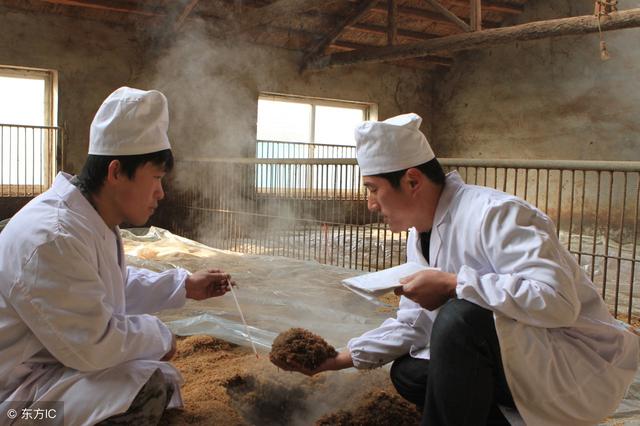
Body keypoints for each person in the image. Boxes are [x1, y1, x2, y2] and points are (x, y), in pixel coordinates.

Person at [271, 113, 639, 425]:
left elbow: (558, 301)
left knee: (460, 319)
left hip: (571, 366)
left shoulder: (497, 214)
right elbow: (413, 323)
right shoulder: (422, 234)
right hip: (521, 361)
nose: (369, 204)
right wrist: (338, 358)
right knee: (410, 374)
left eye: (372, 189)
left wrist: (454, 284)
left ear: (412, 180)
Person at [0, 87, 234, 425]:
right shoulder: (53, 237)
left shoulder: (87, 221)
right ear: (115, 172)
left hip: (44, 369)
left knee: (155, 377)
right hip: (14, 400)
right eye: (155, 178)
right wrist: (160, 334)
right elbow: (95, 345)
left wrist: (184, 285)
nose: (161, 192)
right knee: (143, 387)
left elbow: (111, 284)